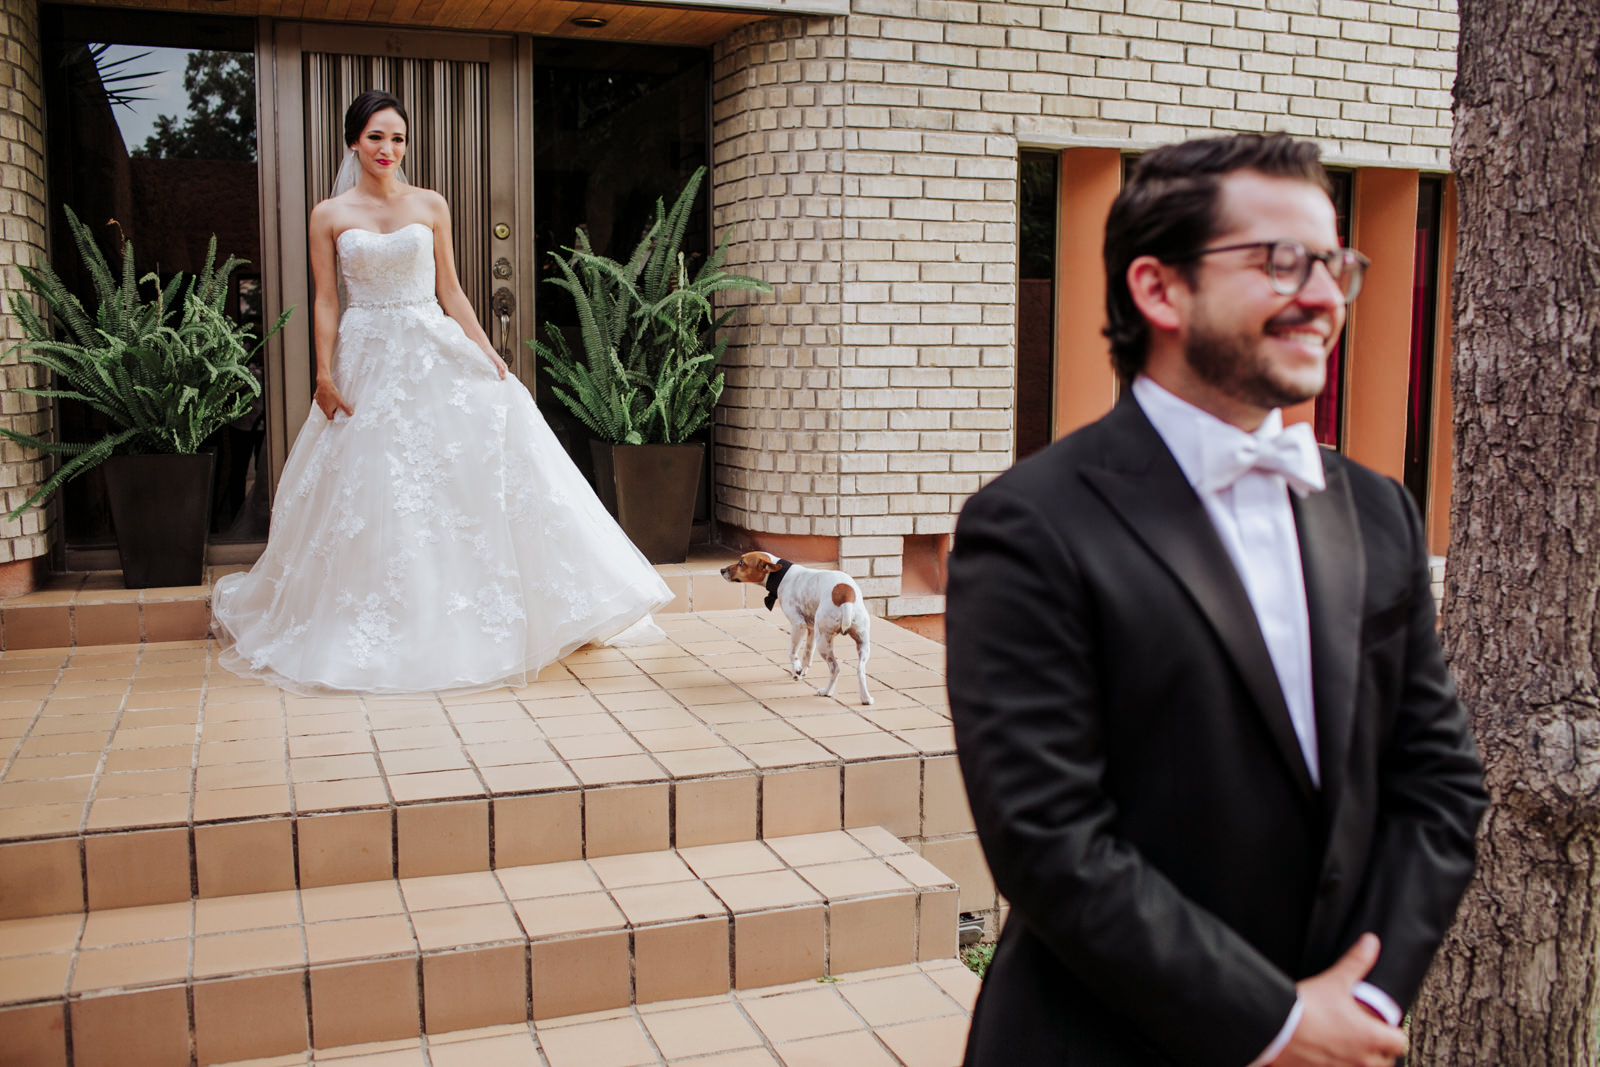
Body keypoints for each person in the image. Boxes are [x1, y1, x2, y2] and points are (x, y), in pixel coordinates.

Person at [946, 133, 1487, 1066]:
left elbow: (1438, 781)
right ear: (1160, 289)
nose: (1322, 296)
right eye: (1282, 262)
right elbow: (1050, 841)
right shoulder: (1027, 526)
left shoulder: (1378, 511)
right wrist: (1270, 1020)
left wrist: (1362, 997)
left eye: (1333, 264)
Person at [212, 90, 672, 694]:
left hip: (430, 347)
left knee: (462, 468)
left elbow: (450, 290)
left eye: (398, 138)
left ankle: (528, 603)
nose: (388, 149)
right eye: (376, 136)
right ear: (354, 141)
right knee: (376, 485)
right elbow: (327, 300)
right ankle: (382, 614)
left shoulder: (431, 204)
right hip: (366, 355)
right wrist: (323, 375)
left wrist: (485, 350)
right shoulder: (329, 213)